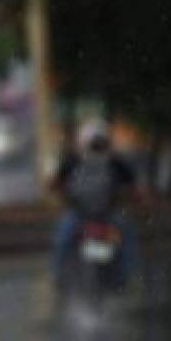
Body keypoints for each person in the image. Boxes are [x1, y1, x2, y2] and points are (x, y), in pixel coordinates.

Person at [51, 120, 143, 288]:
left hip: (82, 215)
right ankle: (126, 276)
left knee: (62, 239)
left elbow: (54, 185)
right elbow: (135, 189)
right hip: (107, 215)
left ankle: (59, 276)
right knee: (127, 236)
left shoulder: (74, 161)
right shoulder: (114, 162)